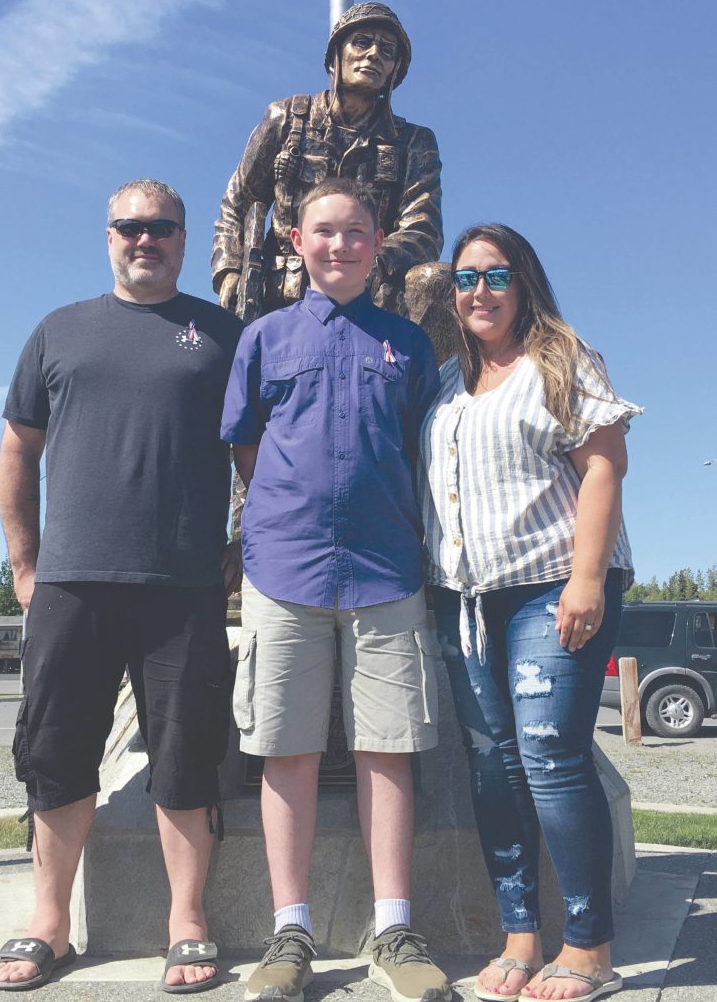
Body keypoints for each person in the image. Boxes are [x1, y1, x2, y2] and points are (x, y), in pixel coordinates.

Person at [0, 179, 244, 994]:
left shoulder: (221, 335)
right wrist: (25, 566)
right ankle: (50, 925)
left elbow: (258, 463)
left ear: (181, 239)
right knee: (58, 755)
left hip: (183, 587)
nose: (146, 239)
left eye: (162, 227)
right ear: (108, 236)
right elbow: (16, 451)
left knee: (185, 758)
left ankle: (187, 922)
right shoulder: (58, 332)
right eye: (131, 227)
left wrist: (245, 546)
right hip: (71, 585)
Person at [220, 178, 450, 1002]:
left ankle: (394, 926)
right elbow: (247, 449)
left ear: (379, 238)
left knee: (389, 747)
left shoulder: (408, 345)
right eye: (325, 232)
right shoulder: (264, 338)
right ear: (295, 238)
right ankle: (293, 930)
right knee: (289, 747)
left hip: (387, 569)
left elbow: (426, 451)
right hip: (284, 571)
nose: (341, 245)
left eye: (357, 232)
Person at [417, 224, 641, 1002]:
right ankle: (521, 932)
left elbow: (604, 462)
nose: (480, 291)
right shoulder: (446, 382)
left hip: (553, 587)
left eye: (496, 275)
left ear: (524, 283)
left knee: (551, 756)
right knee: (493, 762)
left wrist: (586, 579)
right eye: (466, 278)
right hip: (465, 598)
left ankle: (590, 944)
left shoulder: (560, 359)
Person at [212, 1, 442, 320]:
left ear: (395, 70)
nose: (374, 54)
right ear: (336, 55)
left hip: (368, 297)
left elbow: (423, 228)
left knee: (435, 280)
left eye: (387, 50)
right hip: (282, 294)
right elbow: (238, 202)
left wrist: (371, 260)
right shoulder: (286, 118)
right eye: (362, 42)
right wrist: (228, 270)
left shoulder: (414, 142)